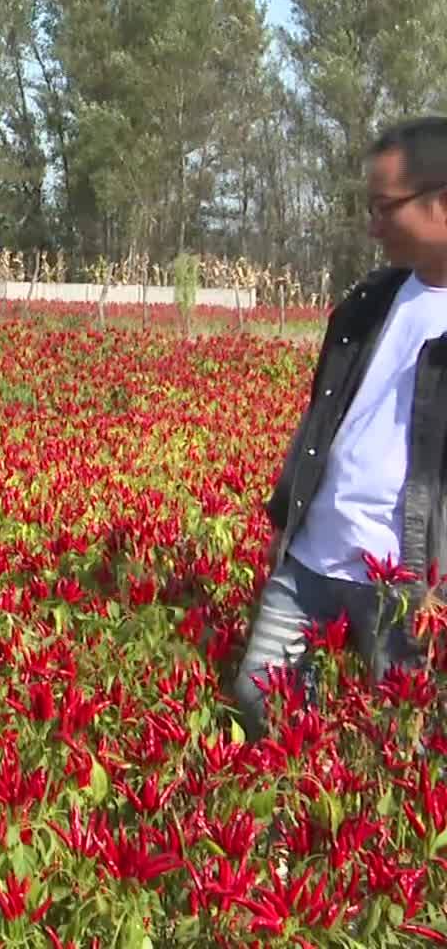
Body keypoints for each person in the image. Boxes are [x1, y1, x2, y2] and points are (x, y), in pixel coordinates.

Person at [233, 115, 447, 742]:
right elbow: (324, 418)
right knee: (259, 694)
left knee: (395, 737)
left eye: (385, 207)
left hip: (407, 579)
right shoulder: (369, 300)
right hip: (314, 555)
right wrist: (287, 517)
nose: (373, 224)